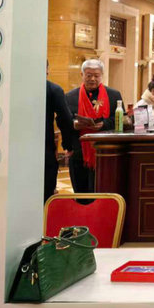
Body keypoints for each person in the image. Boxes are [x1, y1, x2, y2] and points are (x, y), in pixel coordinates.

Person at [64, 59, 123, 194]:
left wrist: (104, 124)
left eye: (96, 75)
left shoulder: (113, 95)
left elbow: (122, 120)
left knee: (103, 191)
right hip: (79, 151)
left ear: (102, 75)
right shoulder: (70, 96)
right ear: (82, 75)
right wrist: (74, 124)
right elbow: (64, 121)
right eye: (89, 75)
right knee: (81, 193)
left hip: (106, 151)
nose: (92, 79)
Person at [45, 60, 74, 203]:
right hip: (45, 152)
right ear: (47, 70)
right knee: (46, 196)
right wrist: (68, 146)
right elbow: (65, 120)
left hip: (15, 151)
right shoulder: (53, 89)